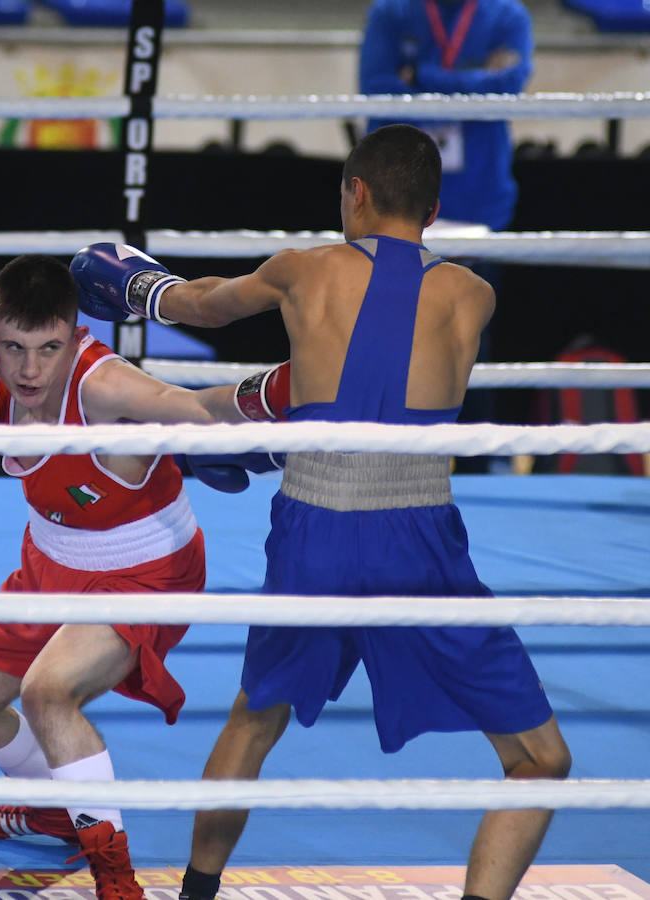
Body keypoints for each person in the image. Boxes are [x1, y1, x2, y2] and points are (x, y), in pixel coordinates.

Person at [70, 125, 573, 900]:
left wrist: (137, 285)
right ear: (434, 211)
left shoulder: (303, 271)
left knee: (253, 722)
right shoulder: (475, 295)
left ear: (356, 192)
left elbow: (199, 307)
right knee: (541, 760)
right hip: (419, 540)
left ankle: (195, 897)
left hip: (314, 528)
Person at [0, 254, 284, 898]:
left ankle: (113, 873)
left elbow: (186, 403)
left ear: (75, 333)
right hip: (49, 565)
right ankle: (56, 807)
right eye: (14, 348)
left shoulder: (105, 387)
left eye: (49, 347)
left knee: (48, 693)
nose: (30, 370)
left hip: (144, 571)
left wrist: (275, 409)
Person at [359, 0, 534, 471]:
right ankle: (387, 462)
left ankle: (475, 466)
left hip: (478, 203)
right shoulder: (392, 13)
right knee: (390, 335)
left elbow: (509, 85)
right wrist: (471, 81)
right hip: (398, 205)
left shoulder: (507, 16)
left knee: (472, 338)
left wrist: (424, 76)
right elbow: (377, 87)